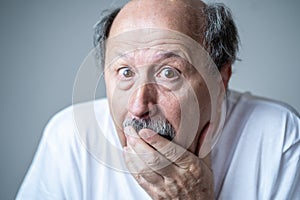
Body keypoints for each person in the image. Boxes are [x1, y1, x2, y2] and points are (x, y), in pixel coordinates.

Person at [17, 0, 300, 199]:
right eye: (125, 72)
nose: (138, 106)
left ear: (220, 79)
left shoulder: (278, 134)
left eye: (169, 73)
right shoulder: (70, 136)